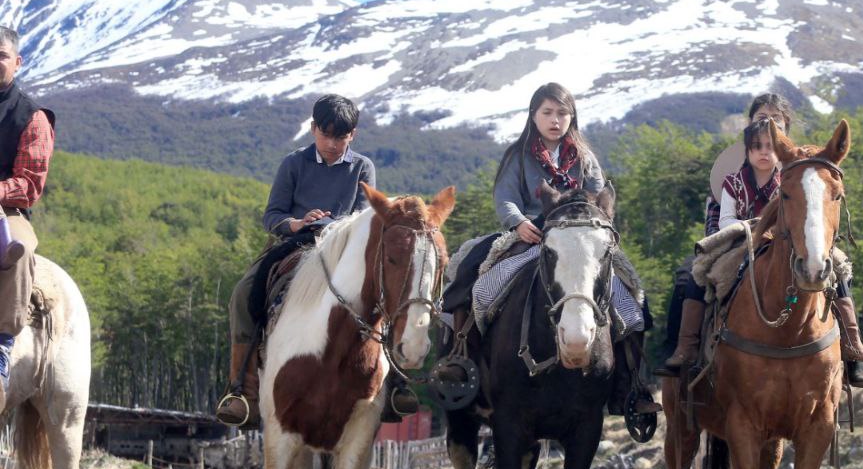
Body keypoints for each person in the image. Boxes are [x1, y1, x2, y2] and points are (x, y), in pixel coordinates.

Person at [441, 83, 652, 414]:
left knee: (632, 299)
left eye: (562, 113)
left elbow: (599, 199)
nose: (555, 120)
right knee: (479, 285)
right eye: (548, 113)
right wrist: (518, 222)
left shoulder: (585, 158)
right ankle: (464, 359)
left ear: (572, 117)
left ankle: (631, 384)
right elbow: (505, 197)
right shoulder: (518, 155)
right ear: (534, 116)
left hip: (581, 243)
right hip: (532, 236)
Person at [215, 95, 414, 428]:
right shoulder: (293, 164)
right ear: (313, 129)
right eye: (327, 135)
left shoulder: (363, 167)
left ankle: (395, 383)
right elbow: (272, 216)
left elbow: (368, 219)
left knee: (388, 290)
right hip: (295, 243)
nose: (333, 144)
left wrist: (336, 226)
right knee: (241, 294)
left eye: (342, 136)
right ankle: (242, 390)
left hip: (346, 249)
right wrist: (297, 223)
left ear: (353, 135)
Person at [656, 94, 863, 388]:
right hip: (735, 238)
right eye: (762, 118)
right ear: (749, 131)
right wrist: (748, 230)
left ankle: (851, 346)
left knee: (840, 266)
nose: (768, 125)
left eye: (775, 120)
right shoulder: (731, 177)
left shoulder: (798, 167)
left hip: (792, 240)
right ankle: (684, 348)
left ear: (785, 127)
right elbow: (719, 217)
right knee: (690, 275)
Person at [0, 26, 54, 398]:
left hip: (8, 210)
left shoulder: (31, 116)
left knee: (18, 249)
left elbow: (29, 184)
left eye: (0, 55)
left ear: (17, 63)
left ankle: (2, 342)